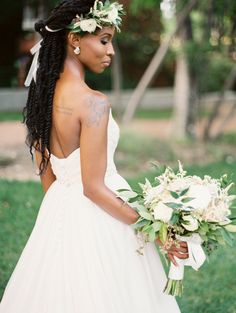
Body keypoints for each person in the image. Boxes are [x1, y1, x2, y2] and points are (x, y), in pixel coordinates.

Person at [0, 1, 188, 312]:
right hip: (104, 216)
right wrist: (157, 231)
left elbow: (50, 181)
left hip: (58, 213)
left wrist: (65, 220)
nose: (110, 50)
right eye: (104, 39)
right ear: (74, 40)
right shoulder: (93, 103)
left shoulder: (41, 104)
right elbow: (94, 187)